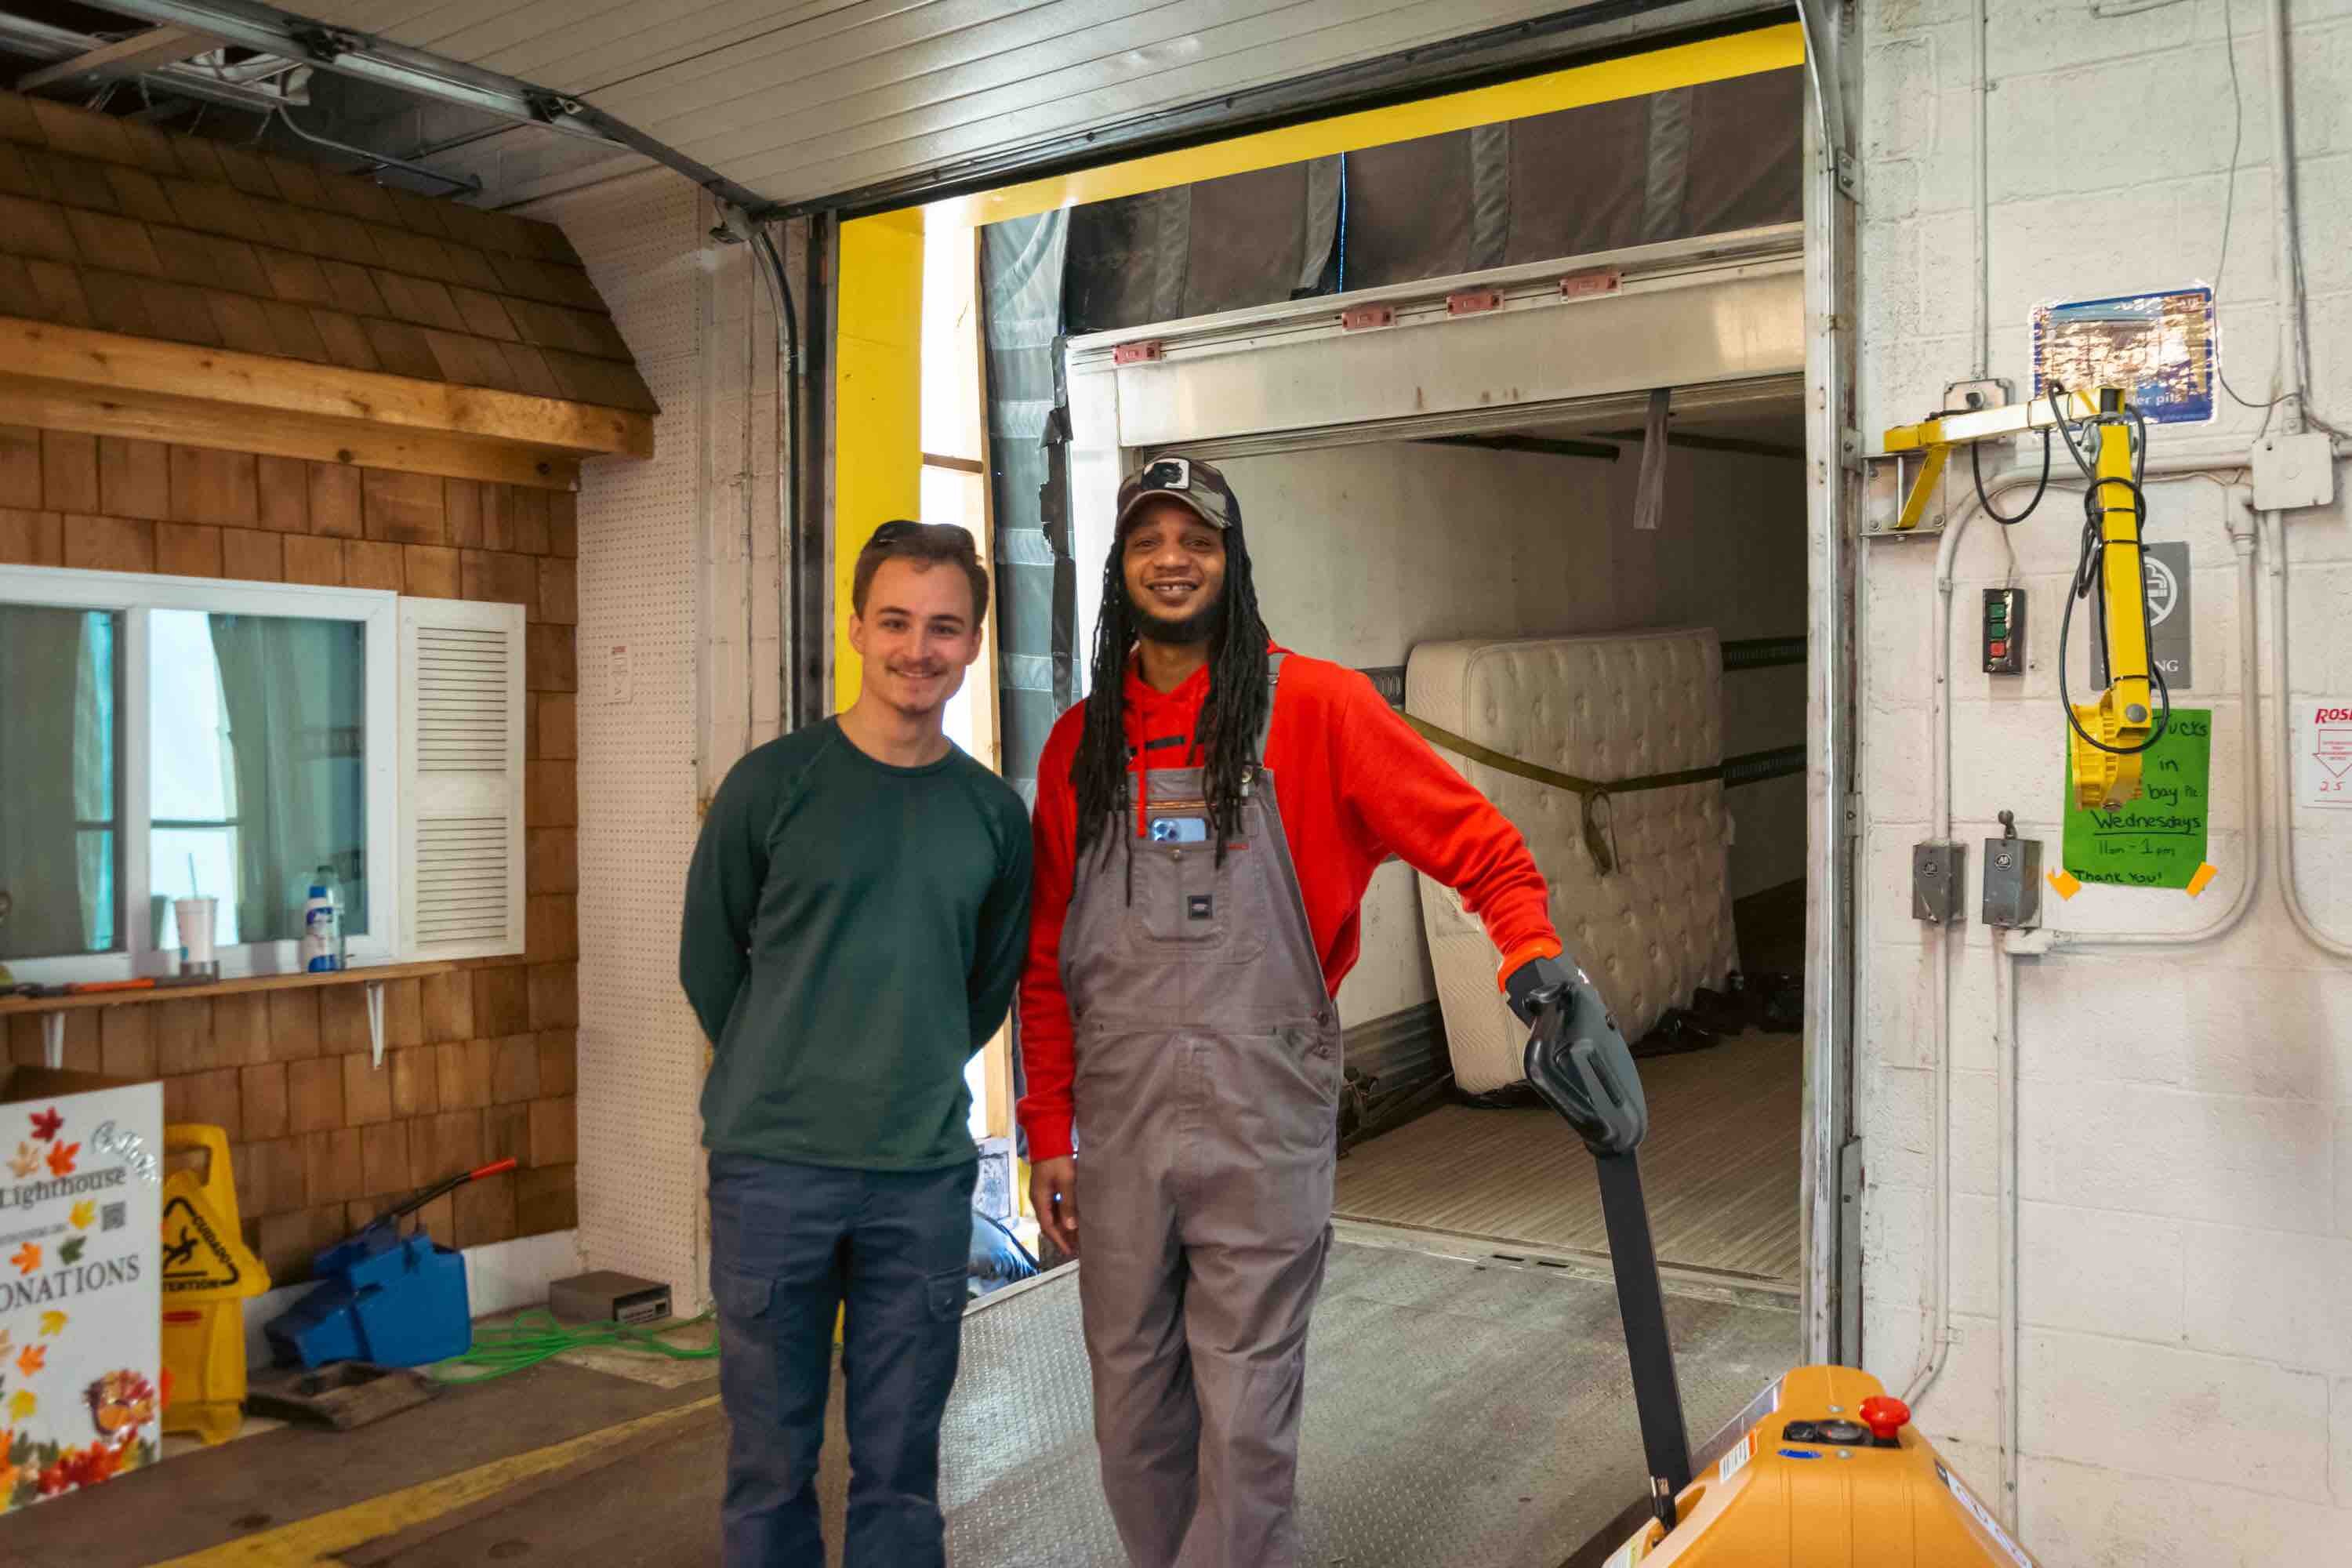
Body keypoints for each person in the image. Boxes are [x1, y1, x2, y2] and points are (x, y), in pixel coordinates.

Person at [1018, 456, 1576, 1567]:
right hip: (1120, 1130)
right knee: (1131, 1411)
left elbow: (1481, 844)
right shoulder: (1079, 745)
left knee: (1245, 1410)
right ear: (1120, 568)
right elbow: (1046, 959)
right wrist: (1046, 1133)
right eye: (1148, 543)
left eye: (1199, 541)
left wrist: (1535, 959)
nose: (1173, 561)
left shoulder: (1318, 707)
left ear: (1235, 562)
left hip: (1258, 1115)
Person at [681, 520, 1033, 1568]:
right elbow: (712, 962)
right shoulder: (772, 784)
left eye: (942, 627)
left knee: (901, 1473)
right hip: (771, 1172)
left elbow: (984, 988)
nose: (916, 649)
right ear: (855, 629)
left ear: (972, 644)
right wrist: (785, 1064)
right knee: (769, 1465)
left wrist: (899, 1058)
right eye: (894, 621)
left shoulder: (990, 817)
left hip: (918, 1182)